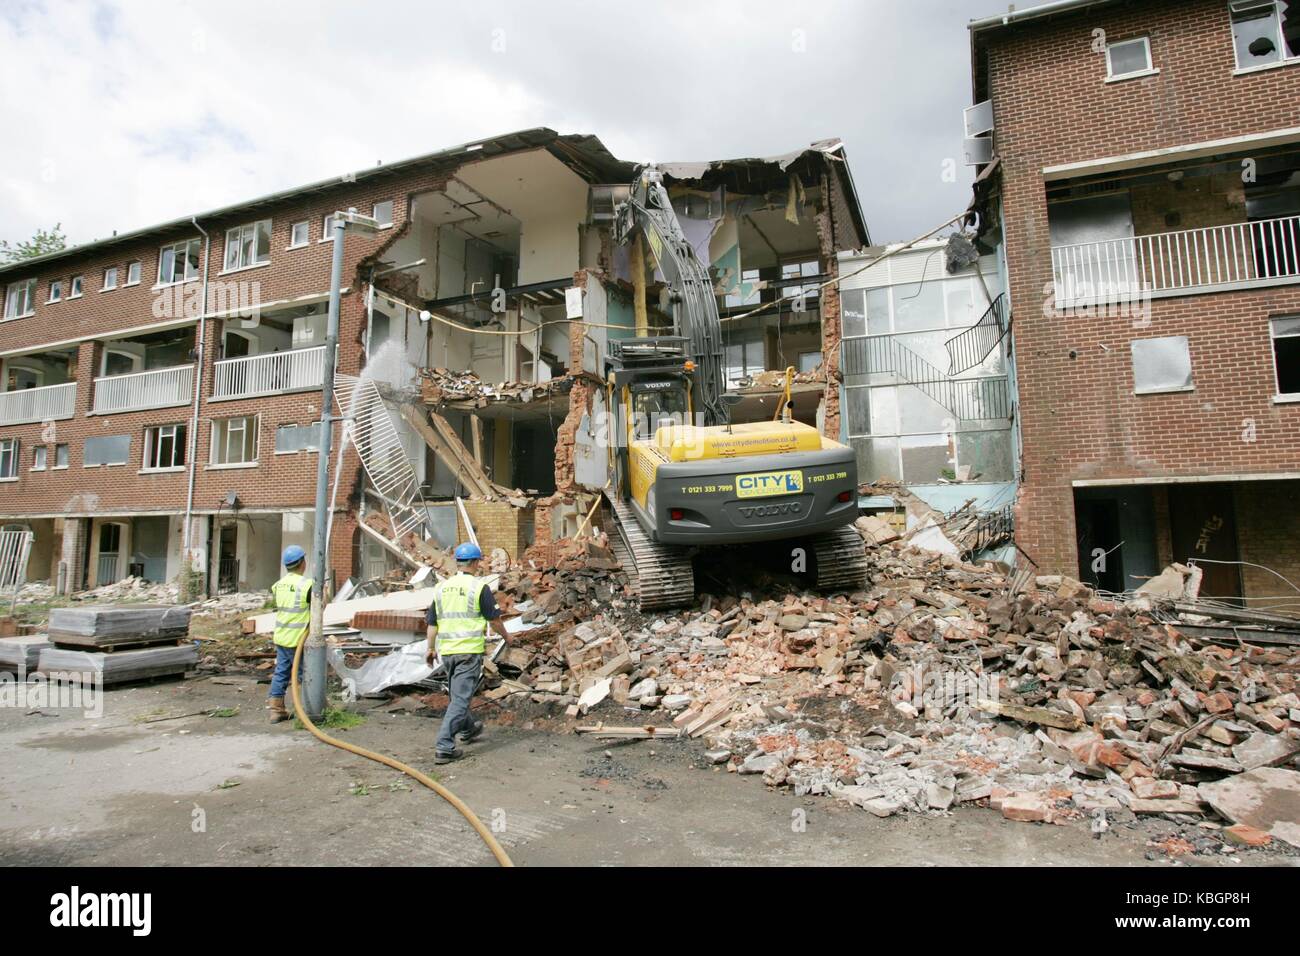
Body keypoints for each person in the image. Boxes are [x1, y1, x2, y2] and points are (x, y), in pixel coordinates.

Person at [426, 542, 510, 764]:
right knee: (460, 701)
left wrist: (430, 648)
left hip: (448, 653)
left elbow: (432, 624)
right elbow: (494, 620)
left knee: (456, 696)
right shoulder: (478, 588)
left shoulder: (441, 588)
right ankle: (444, 746)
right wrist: (508, 638)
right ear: (475, 562)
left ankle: (469, 728)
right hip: (468, 652)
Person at [267, 545, 311, 724]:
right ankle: (303, 711)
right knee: (302, 675)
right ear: (302, 563)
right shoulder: (307, 585)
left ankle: (276, 711)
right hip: (298, 639)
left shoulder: (278, 585)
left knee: (281, 673)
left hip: (281, 637)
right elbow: (319, 606)